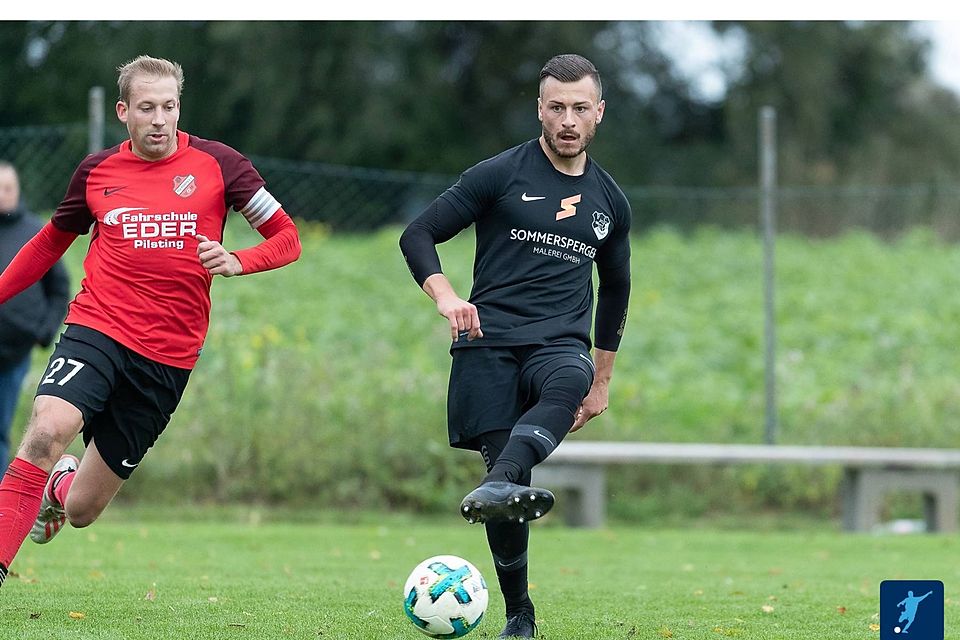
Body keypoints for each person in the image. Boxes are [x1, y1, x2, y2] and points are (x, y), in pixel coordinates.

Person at [0, 55, 301, 588]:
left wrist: (240, 259)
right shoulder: (96, 172)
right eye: (146, 107)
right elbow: (50, 242)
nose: (159, 119)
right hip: (98, 327)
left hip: (167, 356)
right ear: (123, 112)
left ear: (179, 107)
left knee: (83, 509)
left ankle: (59, 489)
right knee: (46, 431)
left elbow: (287, 238)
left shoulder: (221, 164)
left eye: (169, 106)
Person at [399, 53, 631, 639]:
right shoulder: (498, 175)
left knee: (565, 382)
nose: (569, 120)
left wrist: (602, 381)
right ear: (540, 110)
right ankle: (519, 614)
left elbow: (617, 291)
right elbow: (418, 233)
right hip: (487, 342)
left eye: (581, 108)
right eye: (557, 108)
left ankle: (501, 478)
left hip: (559, 342)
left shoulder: (611, 202)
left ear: (599, 113)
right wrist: (447, 297)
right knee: (505, 496)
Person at [0, 162, 70, 476]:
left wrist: (45, 330)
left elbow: (59, 288)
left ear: (17, 190)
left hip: (15, 353)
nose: (2, 195)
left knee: (1, 428)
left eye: (7, 188)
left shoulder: (35, 231)